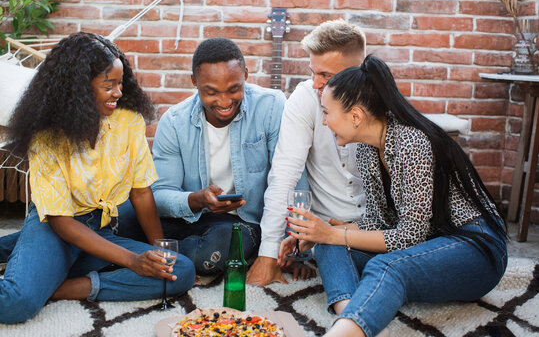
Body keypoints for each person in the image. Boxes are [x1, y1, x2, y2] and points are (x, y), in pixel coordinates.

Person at [277, 55, 508, 337]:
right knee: (328, 246)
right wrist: (320, 233)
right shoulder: (365, 149)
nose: (324, 122)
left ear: (356, 116)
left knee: (386, 266)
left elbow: (410, 235)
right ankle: (358, 322)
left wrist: (334, 233)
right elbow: (377, 221)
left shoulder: (413, 142)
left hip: (473, 247)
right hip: (427, 244)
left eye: (327, 112)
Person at [0, 32, 195, 324]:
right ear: (78, 88)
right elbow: (60, 221)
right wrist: (131, 261)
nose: (118, 92)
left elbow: (141, 193)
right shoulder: (46, 137)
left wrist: (158, 253)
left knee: (180, 270)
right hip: (55, 227)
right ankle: (36, 262)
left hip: (101, 227)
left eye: (120, 83)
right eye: (109, 85)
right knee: (15, 303)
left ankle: (65, 287)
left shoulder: (128, 122)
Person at [115, 37, 305, 277]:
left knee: (216, 248)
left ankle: (145, 257)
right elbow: (160, 195)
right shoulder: (174, 121)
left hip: (242, 223)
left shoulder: (271, 106)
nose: (225, 102)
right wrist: (198, 200)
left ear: (246, 74)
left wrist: (292, 248)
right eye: (211, 92)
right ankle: (151, 256)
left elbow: (293, 180)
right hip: (188, 217)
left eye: (234, 89)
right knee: (120, 218)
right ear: (194, 82)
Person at [247, 19, 367, 286]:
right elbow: (284, 175)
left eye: (325, 75)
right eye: (313, 72)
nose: (315, 83)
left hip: (373, 229)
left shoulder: (383, 103)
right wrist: (267, 255)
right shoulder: (304, 98)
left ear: (358, 71)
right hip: (322, 232)